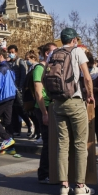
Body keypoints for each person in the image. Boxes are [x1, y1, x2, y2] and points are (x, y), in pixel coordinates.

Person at [51, 28, 94, 195]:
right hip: (75, 101)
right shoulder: (77, 52)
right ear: (75, 39)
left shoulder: (53, 53)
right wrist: (90, 95)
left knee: (63, 143)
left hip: (58, 103)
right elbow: (87, 77)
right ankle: (80, 185)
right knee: (80, 144)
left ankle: (63, 185)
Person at [33, 43, 57, 183]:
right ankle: (43, 174)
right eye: (54, 52)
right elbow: (38, 91)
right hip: (43, 107)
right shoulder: (39, 68)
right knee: (47, 142)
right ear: (47, 53)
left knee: (52, 142)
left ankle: (51, 172)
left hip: (51, 106)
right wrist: (44, 113)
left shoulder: (48, 67)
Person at [83, 51, 98, 163]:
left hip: (96, 103)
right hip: (83, 103)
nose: (89, 68)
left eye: (90, 66)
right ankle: (87, 151)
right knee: (85, 129)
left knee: (97, 128)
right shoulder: (81, 73)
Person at [7, 44, 33, 137]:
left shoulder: (20, 62)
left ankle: (29, 124)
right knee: (13, 110)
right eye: (9, 52)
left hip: (18, 90)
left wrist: (20, 88)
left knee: (21, 109)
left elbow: (23, 75)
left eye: (12, 52)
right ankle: (16, 129)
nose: (10, 54)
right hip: (11, 90)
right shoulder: (9, 63)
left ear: (16, 52)